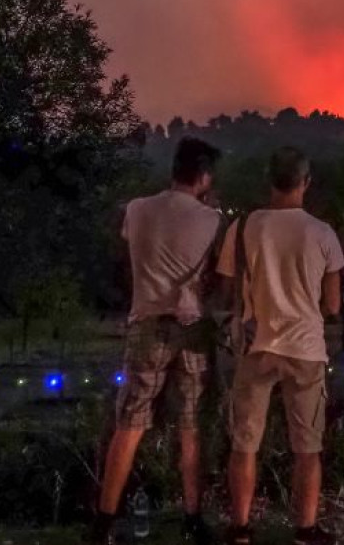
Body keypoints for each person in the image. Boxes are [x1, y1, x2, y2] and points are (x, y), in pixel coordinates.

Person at [91, 137, 224, 545]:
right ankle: (192, 516)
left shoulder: (137, 209)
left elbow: (132, 251)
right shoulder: (212, 218)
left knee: (129, 423)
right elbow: (212, 276)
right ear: (203, 176)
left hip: (146, 323)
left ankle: (104, 519)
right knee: (190, 425)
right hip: (191, 326)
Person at [216, 146, 344, 545]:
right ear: (306, 183)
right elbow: (334, 304)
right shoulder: (322, 233)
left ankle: (240, 527)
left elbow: (228, 287)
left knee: (245, 443)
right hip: (305, 349)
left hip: (256, 347)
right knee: (307, 448)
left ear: (270, 181)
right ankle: (305, 529)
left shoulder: (243, 228)